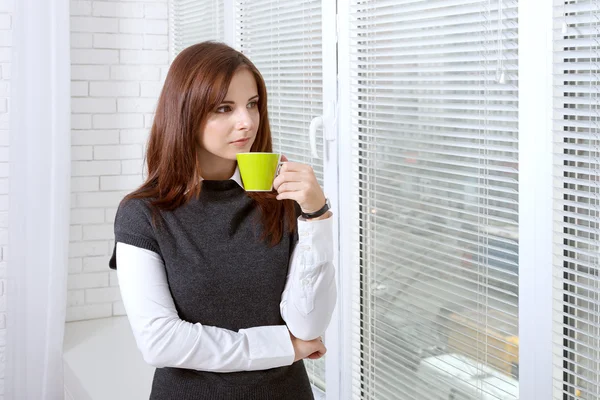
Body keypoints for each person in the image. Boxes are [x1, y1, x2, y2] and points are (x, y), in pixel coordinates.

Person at [108, 41, 337, 399]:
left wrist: (317, 215)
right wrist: (283, 347)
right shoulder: (143, 214)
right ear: (185, 112)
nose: (246, 121)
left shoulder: (280, 199)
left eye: (252, 104)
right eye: (223, 108)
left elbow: (308, 325)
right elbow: (160, 342)